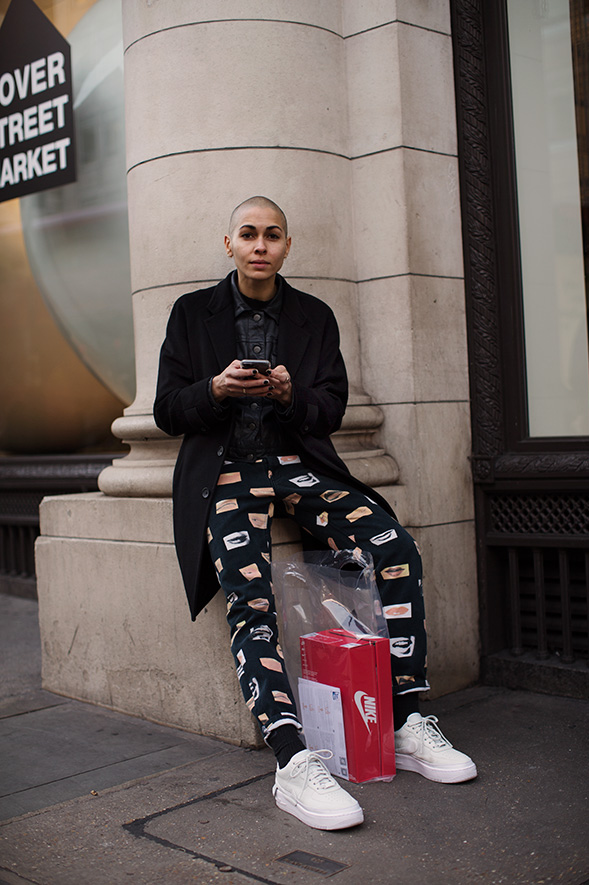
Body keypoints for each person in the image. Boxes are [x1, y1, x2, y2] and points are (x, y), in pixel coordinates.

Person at [153, 196, 477, 831]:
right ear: (229, 244)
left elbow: (331, 407)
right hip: (225, 474)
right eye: (248, 234)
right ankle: (291, 757)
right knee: (249, 593)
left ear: (286, 245)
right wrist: (216, 390)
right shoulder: (192, 313)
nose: (260, 246)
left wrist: (289, 393)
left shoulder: (314, 316)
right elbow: (167, 409)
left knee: (395, 547)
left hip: (298, 468)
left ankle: (407, 717)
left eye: (272, 235)